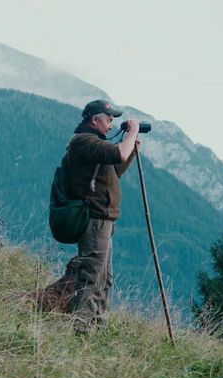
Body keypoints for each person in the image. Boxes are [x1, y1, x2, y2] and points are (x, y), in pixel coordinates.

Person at [66, 99, 141, 334]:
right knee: (91, 274)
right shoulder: (84, 141)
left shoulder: (93, 143)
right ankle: (81, 328)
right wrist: (132, 133)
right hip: (94, 219)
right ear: (94, 119)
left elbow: (114, 169)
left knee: (104, 277)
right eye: (108, 120)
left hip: (104, 218)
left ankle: (96, 324)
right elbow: (118, 153)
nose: (110, 126)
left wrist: (132, 150)